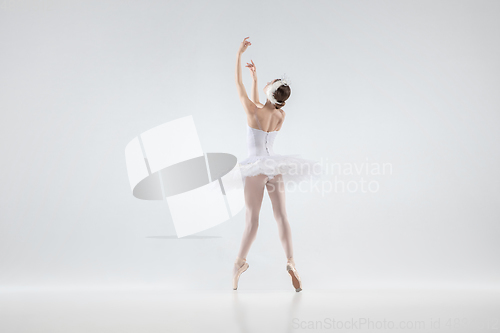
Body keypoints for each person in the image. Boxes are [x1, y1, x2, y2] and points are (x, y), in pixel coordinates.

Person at [232, 37, 319, 292]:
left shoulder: (252, 111)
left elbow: (238, 86)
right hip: (274, 167)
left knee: (252, 221)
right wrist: (257, 79)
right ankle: (291, 261)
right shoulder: (281, 115)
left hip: (255, 169)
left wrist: (238, 55)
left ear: (269, 93)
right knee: (282, 216)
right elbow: (267, 106)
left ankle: (239, 263)